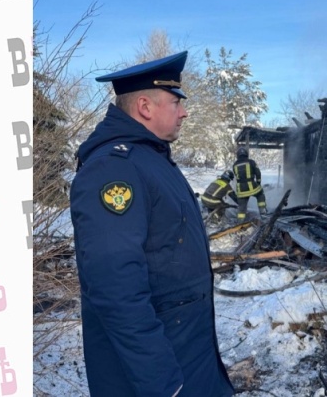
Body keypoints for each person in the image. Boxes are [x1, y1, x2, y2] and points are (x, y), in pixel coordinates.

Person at [69, 51, 234, 397]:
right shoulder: (115, 169)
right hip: (160, 374)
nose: (184, 111)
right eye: (176, 102)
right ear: (145, 107)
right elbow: (115, 286)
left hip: (187, 354)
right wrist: (162, 382)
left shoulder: (149, 158)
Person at [232, 146, 267, 221]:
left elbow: (236, 175)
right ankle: (263, 213)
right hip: (252, 187)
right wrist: (258, 182)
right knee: (260, 194)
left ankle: (240, 223)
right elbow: (258, 173)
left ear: (238, 155)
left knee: (241, 207)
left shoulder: (234, 164)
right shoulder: (251, 162)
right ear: (246, 154)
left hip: (241, 190)